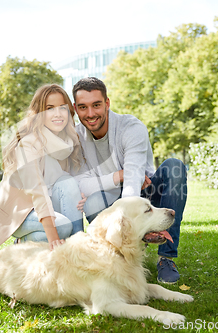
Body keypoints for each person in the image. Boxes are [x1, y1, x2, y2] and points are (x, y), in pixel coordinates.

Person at [73, 77, 187, 284]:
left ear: (107, 103)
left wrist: (132, 219)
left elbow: (134, 178)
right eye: (83, 107)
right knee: (93, 202)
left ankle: (166, 258)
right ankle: (113, 256)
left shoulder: (131, 127)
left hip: (145, 194)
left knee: (174, 167)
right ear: (75, 108)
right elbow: (81, 184)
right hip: (110, 197)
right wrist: (119, 176)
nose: (90, 114)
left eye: (96, 105)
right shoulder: (75, 137)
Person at [0, 84, 84, 252]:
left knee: (68, 183)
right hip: (20, 213)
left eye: (62, 108)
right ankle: (21, 245)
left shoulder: (66, 144)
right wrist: (53, 235)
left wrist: (79, 192)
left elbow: (66, 184)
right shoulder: (28, 144)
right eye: (50, 108)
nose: (57, 114)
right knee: (62, 227)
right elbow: (37, 191)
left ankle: (80, 249)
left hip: (48, 208)